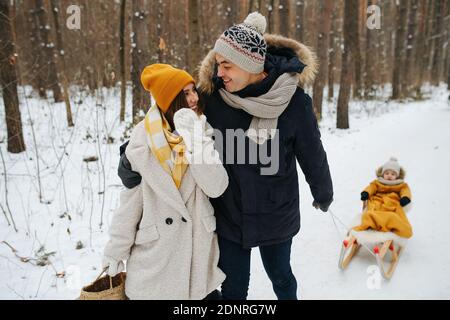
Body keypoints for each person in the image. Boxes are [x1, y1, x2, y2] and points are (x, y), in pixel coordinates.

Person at [119, 12, 333, 300]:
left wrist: (323, 191)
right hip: (230, 214)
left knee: (282, 278)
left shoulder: (294, 103)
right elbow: (167, 117)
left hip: (276, 213)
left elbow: (312, 153)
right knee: (232, 290)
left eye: (227, 65)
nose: (220, 73)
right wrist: (129, 157)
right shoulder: (213, 98)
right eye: (219, 65)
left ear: (250, 65)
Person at [102, 63, 228, 300]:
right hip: (155, 262)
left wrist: (195, 141)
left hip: (196, 260)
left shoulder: (202, 131)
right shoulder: (141, 145)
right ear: (169, 101)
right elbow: (129, 207)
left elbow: (217, 187)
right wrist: (114, 252)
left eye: (193, 91)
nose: (193, 98)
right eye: (185, 93)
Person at [353, 157, 413, 238]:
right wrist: (366, 193)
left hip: (392, 204)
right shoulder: (378, 182)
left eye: (393, 174)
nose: (389, 176)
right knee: (369, 213)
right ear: (382, 173)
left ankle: (387, 223)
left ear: (397, 176)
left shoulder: (401, 185)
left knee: (394, 216)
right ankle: (374, 221)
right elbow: (371, 187)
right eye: (387, 173)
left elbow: (405, 191)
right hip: (377, 202)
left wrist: (405, 197)